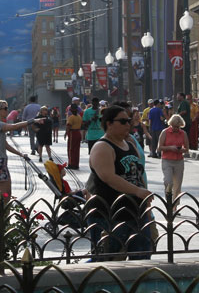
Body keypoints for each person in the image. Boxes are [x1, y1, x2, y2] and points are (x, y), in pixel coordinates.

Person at [86, 104, 154, 260]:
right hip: (108, 213)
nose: (128, 124)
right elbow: (108, 177)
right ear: (109, 124)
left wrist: (146, 205)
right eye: (123, 121)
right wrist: (137, 191)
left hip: (136, 212)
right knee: (106, 260)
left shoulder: (130, 144)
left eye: (129, 120)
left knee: (142, 258)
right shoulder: (102, 147)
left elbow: (138, 174)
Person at [0, 99, 47, 207]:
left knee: (3, 196)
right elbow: (14, 127)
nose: (7, 110)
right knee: (5, 196)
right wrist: (33, 121)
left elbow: (5, 145)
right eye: (5, 108)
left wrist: (20, 154)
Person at [157, 114, 189, 200]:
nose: (176, 128)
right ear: (171, 124)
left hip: (179, 161)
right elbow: (159, 148)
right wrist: (170, 148)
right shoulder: (165, 132)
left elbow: (186, 149)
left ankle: (174, 206)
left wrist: (180, 149)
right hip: (167, 160)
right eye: (174, 126)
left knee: (177, 185)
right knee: (168, 182)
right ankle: (169, 202)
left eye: (178, 127)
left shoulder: (183, 133)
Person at [65, 100, 83, 169]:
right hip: (78, 133)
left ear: (72, 109)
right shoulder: (79, 116)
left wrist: (66, 133)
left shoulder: (71, 117)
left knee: (71, 149)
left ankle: (71, 164)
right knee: (76, 149)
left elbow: (68, 126)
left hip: (73, 133)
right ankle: (76, 164)